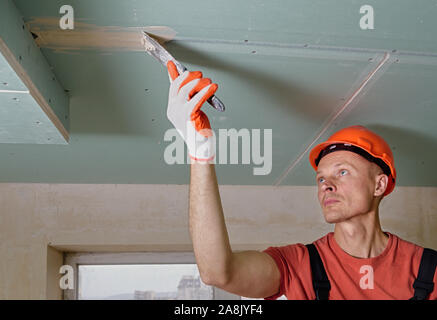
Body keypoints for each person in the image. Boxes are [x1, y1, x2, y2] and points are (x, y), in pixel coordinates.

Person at [165, 61, 437, 300]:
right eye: (321, 179)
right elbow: (218, 273)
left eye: (342, 172)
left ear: (379, 185)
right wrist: (200, 151)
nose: (326, 185)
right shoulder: (299, 265)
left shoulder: (428, 269)